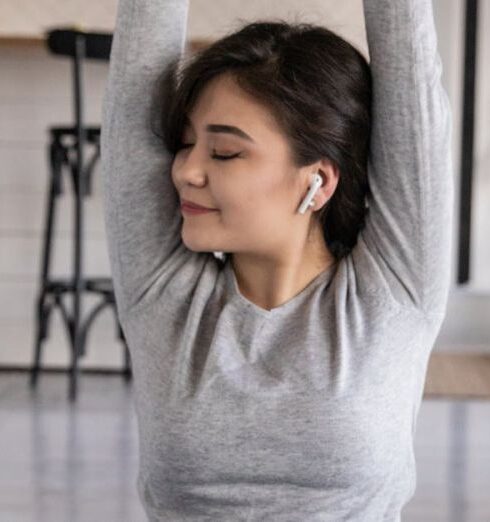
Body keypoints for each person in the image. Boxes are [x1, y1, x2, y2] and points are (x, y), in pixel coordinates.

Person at [101, 0, 454, 520]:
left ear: (318, 180)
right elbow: (139, 70)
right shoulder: (163, 298)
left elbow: (410, 67)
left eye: (224, 153)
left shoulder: (394, 291)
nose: (185, 172)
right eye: (183, 145)